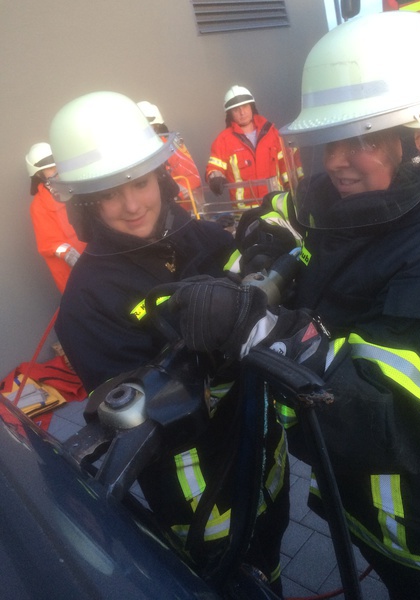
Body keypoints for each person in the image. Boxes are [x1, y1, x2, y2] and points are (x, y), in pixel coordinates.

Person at [163, 11, 420, 600]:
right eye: (328, 141)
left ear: (419, 137)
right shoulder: (370, 191)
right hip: (360, 507)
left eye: (360, 140)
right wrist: (269, 234)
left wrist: (258, 331)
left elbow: (397, 420)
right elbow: (299, 209)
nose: (336, 161)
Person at [49, 91, 289, 596]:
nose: (133, 205)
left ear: (160, 176)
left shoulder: (208, 238)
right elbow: (137, 412)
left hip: (264, 454)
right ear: (86, 203)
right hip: (195, 494)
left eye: (139, 183)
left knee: (271, 566)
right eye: (110, 194)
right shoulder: (87, 302)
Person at [205, 85, 291, 210]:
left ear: (252, 107)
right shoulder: (223, 140)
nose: (242, 112)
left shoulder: (271, 133)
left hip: (276, 205)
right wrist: (215, 178)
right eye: (236, 110)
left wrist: (292, 187)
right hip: (245, 212)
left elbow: (285, 164)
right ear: (230, 114)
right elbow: (214, 167)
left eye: (245, 106)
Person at [25, 142, 86, 293]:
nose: (56, 170)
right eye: (50, 168)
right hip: (72, 272)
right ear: (39, 174)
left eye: (56, 165)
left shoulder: (74, 189)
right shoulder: (38, 206)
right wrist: (69, 254)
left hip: (96, 254)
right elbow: (48, 242)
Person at [137, 100, 203, 216]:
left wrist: (174, 193)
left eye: (148, 128)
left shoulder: (170, 147)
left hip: (178, 212)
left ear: (156, 126)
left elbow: (193, 177)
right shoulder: (129, 154)